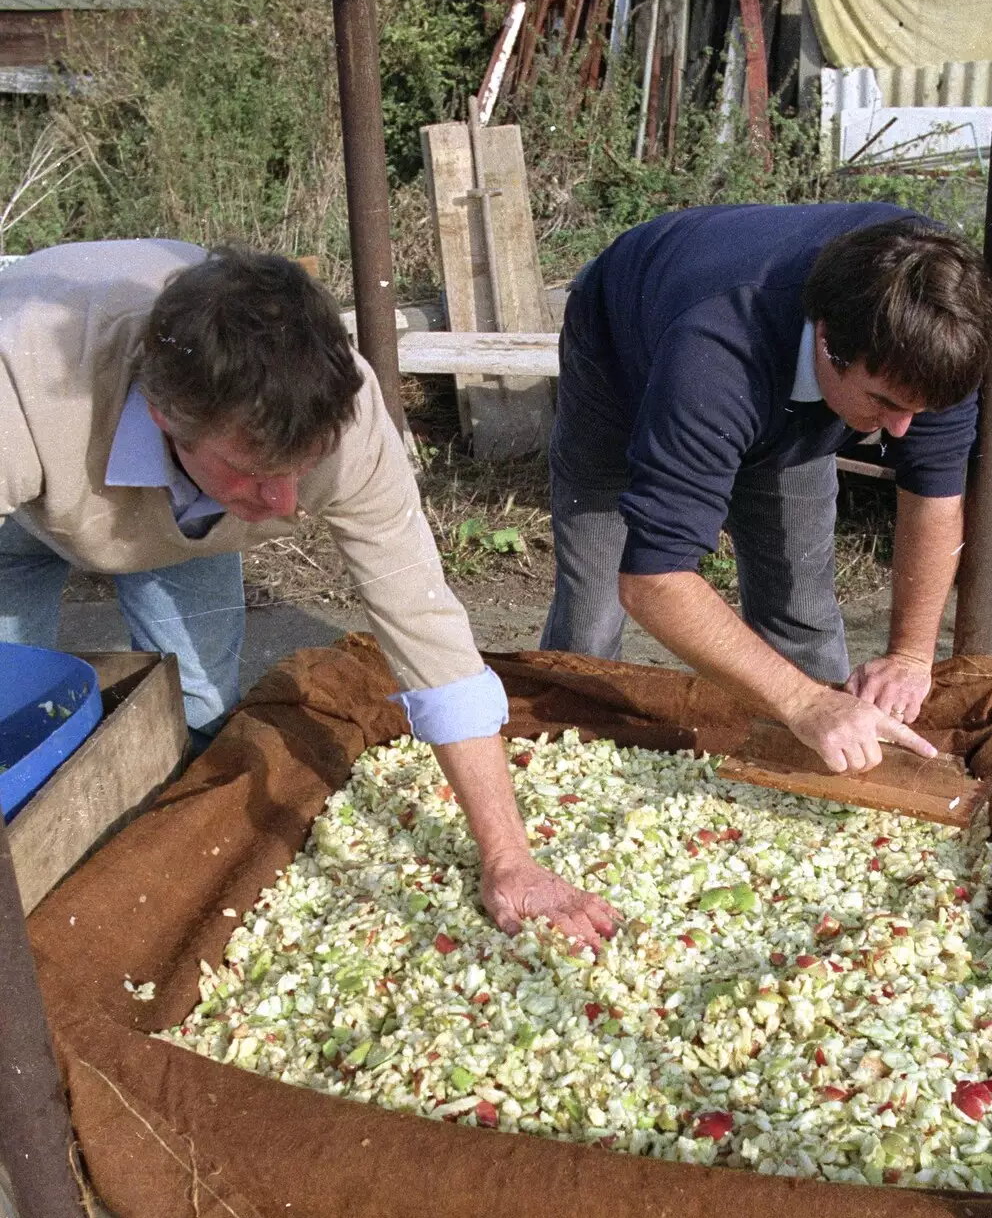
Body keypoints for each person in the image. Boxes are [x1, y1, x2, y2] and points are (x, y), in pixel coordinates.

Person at [0, 239, 616, 944]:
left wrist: (510, 859)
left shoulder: (343, 417)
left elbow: (427, 631)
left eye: (304, 467)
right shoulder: (20, 383)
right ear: (165, 415)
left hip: (186, 502)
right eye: (255, 471)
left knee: (200, 706)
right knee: (15, 712)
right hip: (28, 497)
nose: (288, 505)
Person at [540, 202, 992, 774]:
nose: (904, 429)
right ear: (828, 342)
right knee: (594, 607)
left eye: (920, 409)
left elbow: (934, 497)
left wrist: (910, 655)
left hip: (776, 372)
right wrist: (803, 702)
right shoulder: (715, 352)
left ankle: (826, 768)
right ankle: (566, 764)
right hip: (623, 347)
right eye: (886, 404)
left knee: (800, 607)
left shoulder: (937, 323)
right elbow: (653, 581)